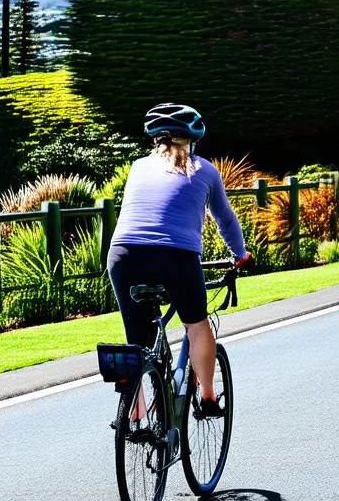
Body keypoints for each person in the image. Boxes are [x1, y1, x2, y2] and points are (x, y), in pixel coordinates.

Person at [108, 103, 252, 417]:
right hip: (175, 255)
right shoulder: (205, 170)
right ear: (192, 140)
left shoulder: (137, 166)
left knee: (138, 339)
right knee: (197, 324)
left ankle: (133, 410)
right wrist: (240, 255)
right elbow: (225, 220)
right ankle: (209, 397)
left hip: (123, 255)